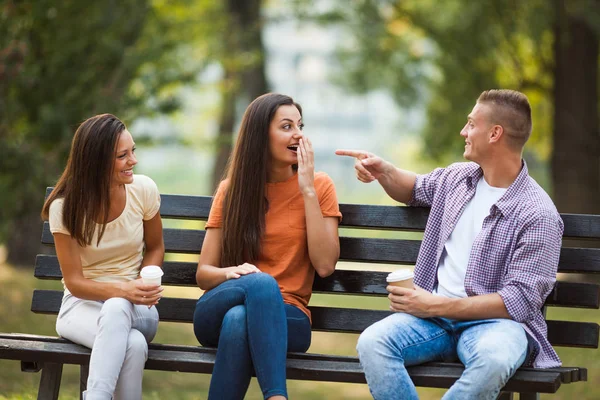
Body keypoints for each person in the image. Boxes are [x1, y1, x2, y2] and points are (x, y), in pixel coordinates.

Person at [336, 89, 563, 400]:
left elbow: (519, 301)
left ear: (495, 133)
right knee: (373, 343)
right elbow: (413, 188)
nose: (463, 132)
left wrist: (437, 305)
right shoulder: (458, 179)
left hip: (496, 326)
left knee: (494, 360)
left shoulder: (537, 213)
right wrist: (384, 171)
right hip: (434, 322)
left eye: (471, 124)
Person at [193, 93, 341, 400]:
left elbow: (325, 265)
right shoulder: (231, 191)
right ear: (261, 135)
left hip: (289, 317)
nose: (298, 134)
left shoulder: (320, 185)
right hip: (215, 313)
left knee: (238, 320)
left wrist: (307, 190)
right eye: (286, 126)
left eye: (300, 125)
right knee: (258, 285)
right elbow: (204, 275)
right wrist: (236, 273)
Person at [41, 114, 164, 400]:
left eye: (133, 151)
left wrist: (143, 282)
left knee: (118, 307)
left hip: (138, 308)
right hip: (80, 308)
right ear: (96, 162)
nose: (133, 160)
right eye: (123, 155)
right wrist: (123, 290)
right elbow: (74, 282)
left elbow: (156, 247)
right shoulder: (65, 207)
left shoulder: (143, 190)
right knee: (132, 345)